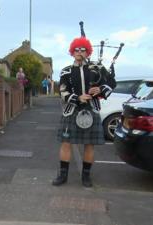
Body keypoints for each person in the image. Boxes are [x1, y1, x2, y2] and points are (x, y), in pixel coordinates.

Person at [52, 36, 114, 187]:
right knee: (66, 143)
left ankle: (86, 176)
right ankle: (63, 175)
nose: (79, 52)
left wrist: (100, 89)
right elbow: (63, 91)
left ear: (88, 52)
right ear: (72, 52)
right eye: (76, 50)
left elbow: (112, 83)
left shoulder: (97, 68)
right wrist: (77, 98)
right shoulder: (66, 71)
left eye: (83, 49)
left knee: (89, 144)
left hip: (91, 109)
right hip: (71, 110)